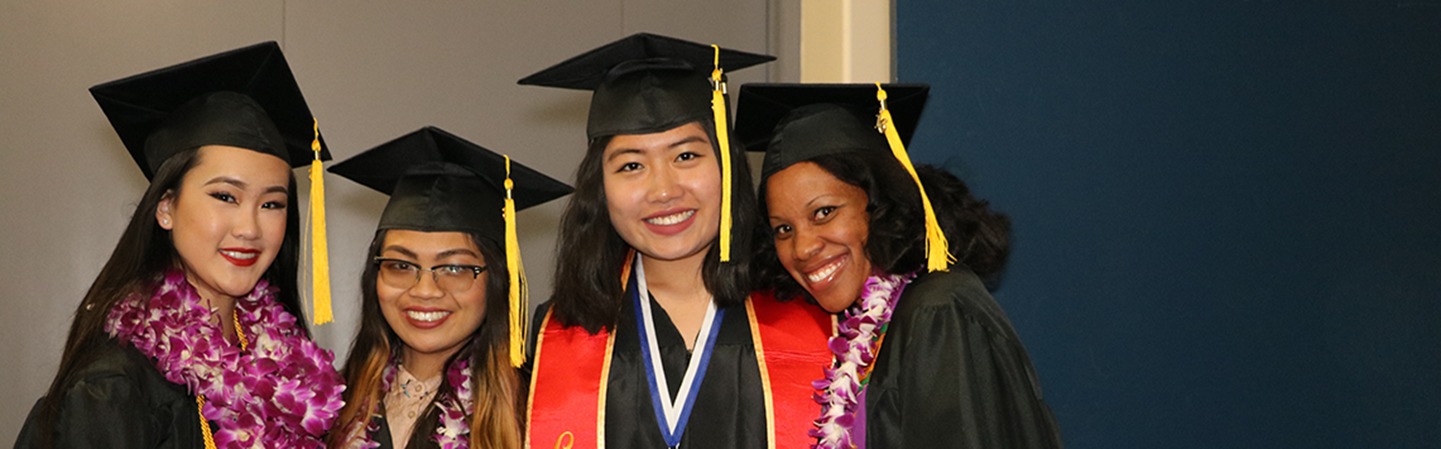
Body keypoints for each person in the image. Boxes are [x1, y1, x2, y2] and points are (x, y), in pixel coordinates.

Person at [14, 42, 344, 449]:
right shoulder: (115, 385)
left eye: (272, 204)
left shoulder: (288, 368)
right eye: (225, 196)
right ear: (166, 207)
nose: (249, 227)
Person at [517, 33, 835, 449]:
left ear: (727, 166)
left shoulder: (813, 309)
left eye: (686, 156)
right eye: (631, 165)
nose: (663, 190)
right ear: (601, 189)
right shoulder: (557, 330)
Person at [737, 83, 1064, 448]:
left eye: (824, 212)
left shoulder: (939, 311)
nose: (802, 247)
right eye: (784, 228)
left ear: (881, 202)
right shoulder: (873, 325)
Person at [326, 127, 572, 449]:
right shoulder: (329, 404)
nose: (425, 290)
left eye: (454, 268)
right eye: (401, 265)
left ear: (494, 281)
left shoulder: (540, 414)